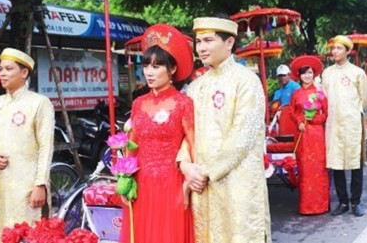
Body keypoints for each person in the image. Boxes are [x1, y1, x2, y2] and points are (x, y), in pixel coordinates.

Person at [180, 16, 271, 242]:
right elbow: (186, 132)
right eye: (198, 41)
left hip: (236, 183)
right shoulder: (196, 86)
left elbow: (243, 136)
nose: (201, 47)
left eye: (208, 40)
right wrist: (185, 165)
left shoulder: (247, 81)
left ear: (229, 43)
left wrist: (207, 172)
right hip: (203, 185)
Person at [120, 24, 195, 243]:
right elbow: (131, 146)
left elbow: (193, 145)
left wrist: (189, 183)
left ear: (172, 69)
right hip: (141, 184)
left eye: (157, 66)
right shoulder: (138, 103)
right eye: (146, 66)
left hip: (172, 183)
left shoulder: (184, 103)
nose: (149, 72)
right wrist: (125, 180)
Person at [0, 48, 54, 243]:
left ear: (24, 72)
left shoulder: (39, 103)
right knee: (2, 234)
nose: (2, 73)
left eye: (8, 69)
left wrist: (40, 185)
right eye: (1, 69)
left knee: (29, 235)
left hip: (27, 188)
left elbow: (46, 146)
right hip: (1, 186)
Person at [322, 35, 367, 217]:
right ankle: (342, 201)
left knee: (355, 162)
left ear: (348, 51)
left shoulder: (358, 73)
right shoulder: (327, 73)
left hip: (352, 124)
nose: (335, 52)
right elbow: (323, 97)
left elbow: (364, 98)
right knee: (337, 163)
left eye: (339, 48)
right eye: (333, 48)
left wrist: (351, 112)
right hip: (333, 123)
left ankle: (356, 202)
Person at [289, 55, 329, 215]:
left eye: (310, 72)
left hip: (317, 134)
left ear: (314, 74)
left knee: (319, 167)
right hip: (302, 134)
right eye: (304, 73)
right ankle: (306, 206)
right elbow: (292, 111)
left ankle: (321, 205)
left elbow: (325, 113)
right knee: (305, 168)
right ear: (299, 76)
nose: (307, 76)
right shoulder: (296, 94)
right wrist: (299, 121)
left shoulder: (320, 94)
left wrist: (316, 118)